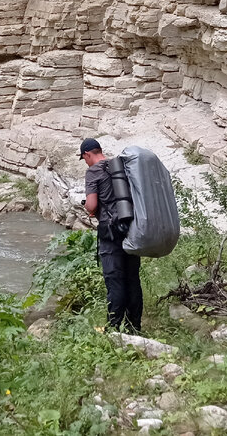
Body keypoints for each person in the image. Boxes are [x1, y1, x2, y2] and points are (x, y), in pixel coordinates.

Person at [80, 137, 143, 332]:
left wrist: (87, 207)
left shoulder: (93, 172)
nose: (86, 162)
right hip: (130, 227)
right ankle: (134, 327)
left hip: (110, 232)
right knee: (132, 278)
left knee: (114, 278)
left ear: (87, 154)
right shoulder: (120, 166)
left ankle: (114, 328)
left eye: (84, 158)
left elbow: (92, 205)